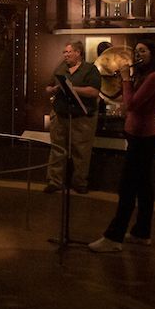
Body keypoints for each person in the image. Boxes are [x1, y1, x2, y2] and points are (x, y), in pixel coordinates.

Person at [89, 39, 155, 253]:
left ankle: (114, 237)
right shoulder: (149, 76)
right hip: (141, 136)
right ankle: (141, 232)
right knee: (143, 186)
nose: (138, 54)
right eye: (136, 51)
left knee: (127, 187)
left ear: (153, 53)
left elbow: (131, 104)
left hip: (142, 137)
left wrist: (125, 79)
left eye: (143, 50)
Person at [43, 41, 102, 194]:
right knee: (57, 149)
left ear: (78, 53)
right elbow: (48, 86)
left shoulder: (90, 69)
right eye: (64, 52)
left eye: (69, 52)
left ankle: (80, 182)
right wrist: (52, 89)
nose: (66, 55)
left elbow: (94, 91)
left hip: (81, 118)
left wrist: (72, 89)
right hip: (60, 116)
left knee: (81, 152)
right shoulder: (60, 68)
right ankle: (55, 181)